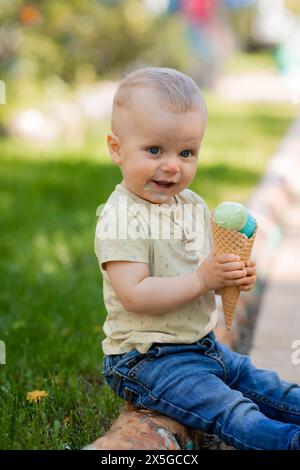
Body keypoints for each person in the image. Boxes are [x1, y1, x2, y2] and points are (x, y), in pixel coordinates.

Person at [94, 67, 300, 450]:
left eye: (186, 152)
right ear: (116, 148)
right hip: (147, 359)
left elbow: (205, 269)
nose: (173, 165)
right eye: (155, 150)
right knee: (233, 411)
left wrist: (231, 276)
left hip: (203, 345)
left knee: (272, 388)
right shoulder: (121, 217)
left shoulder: (191, 204)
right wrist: (204, 279)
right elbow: (135, 295)